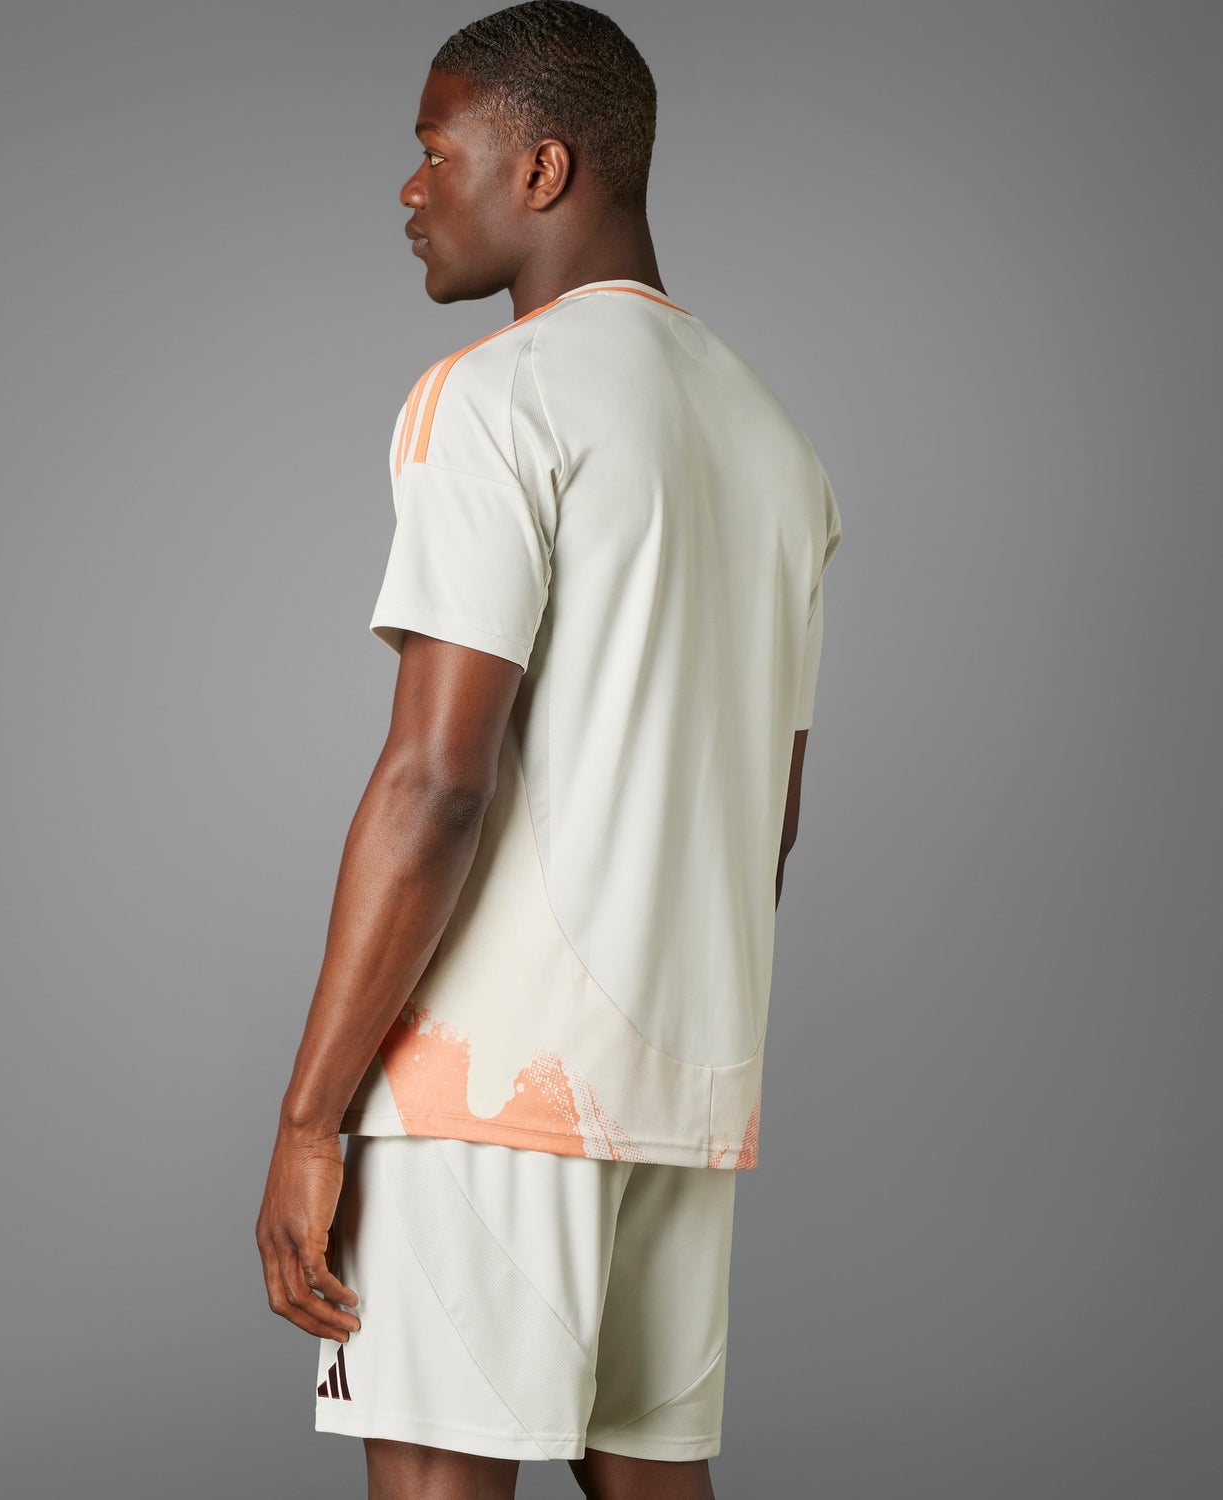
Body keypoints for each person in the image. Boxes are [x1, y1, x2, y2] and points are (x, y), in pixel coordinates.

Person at [255, 4, 842, 1496]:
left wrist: (310, 1118)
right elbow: (766, 820)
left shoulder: (495, 399)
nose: (409, 189)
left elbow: (436, 779)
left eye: (432, 150)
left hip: (487, 1087)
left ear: (541, 168)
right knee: (652, 1482)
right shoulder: (775, 443)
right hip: (683, 1081)